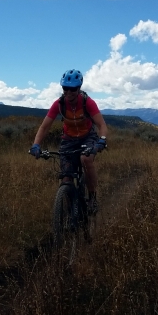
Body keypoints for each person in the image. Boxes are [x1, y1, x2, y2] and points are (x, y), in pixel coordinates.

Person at [30, 69, 108, 213]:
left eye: (73, 89)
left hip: (87, 137)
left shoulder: (87, 102)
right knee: (66, 178)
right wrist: (36, 144)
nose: (68, 92)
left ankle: (92, 198)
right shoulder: (59, 104)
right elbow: (44, 126)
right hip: (68, 139)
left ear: (79, 88)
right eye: (65, 88)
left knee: (85, 159)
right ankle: (68, 209)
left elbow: (102, 125)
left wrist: (101, 140)